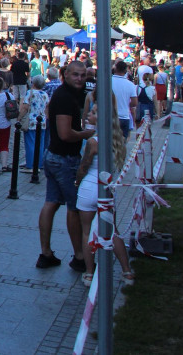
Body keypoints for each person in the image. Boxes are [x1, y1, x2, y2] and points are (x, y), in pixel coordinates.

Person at [37, 61, 93, 271]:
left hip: (54, 156)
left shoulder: (71, 95)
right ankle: (79, 256)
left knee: (51, 202)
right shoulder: (64, 97)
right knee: (74, 207)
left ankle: (46, 253)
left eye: (83, 75)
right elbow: (65, 134)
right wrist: (87, 134)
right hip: (63, 158)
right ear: (65, 74)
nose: (80, 78)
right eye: (75, 75)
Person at [74, 98, 134, 287]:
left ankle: (90, 273)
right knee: (112, 230)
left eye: (92, 112)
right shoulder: (117, 139)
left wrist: (77, 180)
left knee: (86, 231)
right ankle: (126, 270)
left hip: (90, 185)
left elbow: (84, 165)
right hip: (107, 187)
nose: (89, 114)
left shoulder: (93, 141)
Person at [20, 74, 50, 173]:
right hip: (42, 122)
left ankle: (30, 164)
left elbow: (25, 107)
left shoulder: (30, 93)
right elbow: (47, 108)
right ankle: (39, 163)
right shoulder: (45, 94)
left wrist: (19, 118)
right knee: (40, 143)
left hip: (32, 121)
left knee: (30, 143)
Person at [111, 60, 137, 139]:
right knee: (123, 143)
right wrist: (127, 104)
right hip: (124, 116)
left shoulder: (108, 82)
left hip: (110, 116)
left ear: (115, 69)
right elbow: (134, 102)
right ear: (126, 71)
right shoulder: (130, 85)